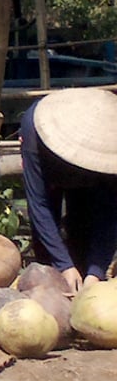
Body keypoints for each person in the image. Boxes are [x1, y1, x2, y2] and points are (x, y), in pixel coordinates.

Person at [20, 86, 117, 292]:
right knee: (49, 262)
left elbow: (111, 214)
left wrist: (96, 272)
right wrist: (63, 265)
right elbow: (39, 204)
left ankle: (84, 279)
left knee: (84, 229)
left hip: (97, 183)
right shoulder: (36, 128)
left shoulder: (111, 152)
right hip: (51, 170)